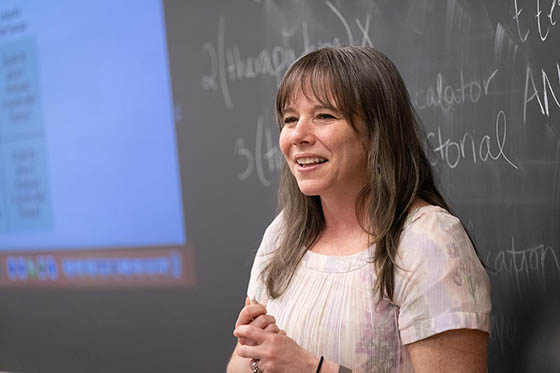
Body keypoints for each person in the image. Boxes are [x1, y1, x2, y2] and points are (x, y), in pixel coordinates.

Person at [226, 46, 491, 373]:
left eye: (324, 115)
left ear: (377, 131)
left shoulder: (429, 243)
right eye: (290, 119)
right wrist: (257, 354)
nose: (297, 135)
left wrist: (312, 368)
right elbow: (239, 365)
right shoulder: (283, 235)